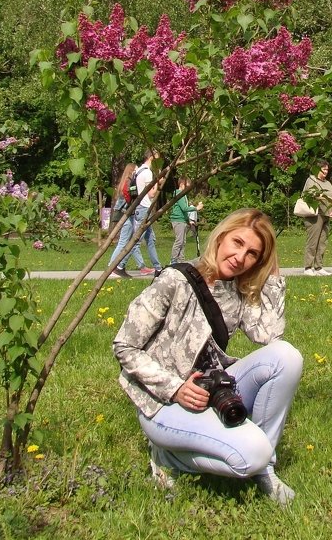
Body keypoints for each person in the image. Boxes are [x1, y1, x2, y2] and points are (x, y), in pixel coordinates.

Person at [112, 208, 303, 505]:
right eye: (237, 243)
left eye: (253, 254)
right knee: (251, 454)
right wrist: (174, 388)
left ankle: (265, 469)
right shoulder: (174, 279)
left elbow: (268, 337)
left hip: (212, 388)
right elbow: (125, 346)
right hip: (162, 403)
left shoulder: (237, 288)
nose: (241, 258)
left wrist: (273, 278)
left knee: (287, 357)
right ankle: (167, 456)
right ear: (221, 237)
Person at [110, 150, 163, 277]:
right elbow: (151, 194)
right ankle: (120, 265)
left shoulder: (138, 172)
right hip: (144, 208)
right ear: (151, 158)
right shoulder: (147, 173)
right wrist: (158, 183)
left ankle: (158, 267)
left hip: (139, 208)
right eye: (157, 159)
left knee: (150, 239)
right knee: (136, 240)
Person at [301, 160, 332, 277]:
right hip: (315, 215)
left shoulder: (328, 183)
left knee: (322, 242)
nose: (326, 171)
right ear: (318, 169)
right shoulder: (311, 180)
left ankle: (319, 267)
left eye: (327, 169)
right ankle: (308, 267)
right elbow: (310, 195)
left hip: (326, 214)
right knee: (313, 241)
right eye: (324, 169)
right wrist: (325, 197)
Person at [170, 176, 203, 265]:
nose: (188, 188)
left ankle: (181, 260)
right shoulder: (179, 194)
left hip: (183, 220)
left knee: (183, 241)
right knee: (179, 241)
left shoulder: (183, 195)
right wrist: (196, 208)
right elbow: (184, 208)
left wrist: (189, 221)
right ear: (181, 184)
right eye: (187, 186)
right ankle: (173, 260)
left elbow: (184, 211)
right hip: (178, 220)